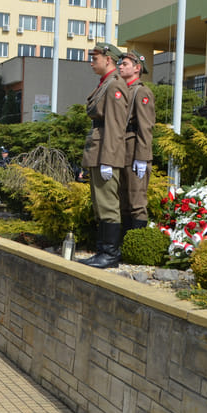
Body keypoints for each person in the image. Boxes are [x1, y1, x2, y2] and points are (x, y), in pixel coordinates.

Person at [79, 42, 129, 269]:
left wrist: (109, 159)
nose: (91, 62)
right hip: (98, 152)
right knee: (100, 204)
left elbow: (116, 126)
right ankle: (102, 251)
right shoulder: (105, 84)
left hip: (105, 154)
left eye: (95, 57)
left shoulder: (114, 86)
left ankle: (110, 254)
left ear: (108, 59)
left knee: (108, 204)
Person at [117, 50, 156, 233]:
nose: (120, 66)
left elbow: (145, 127)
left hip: (134, 152)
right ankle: (123, 244)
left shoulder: (141, 92)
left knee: (136, 201)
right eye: (121, 64)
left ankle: (135, 242)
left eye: (125, 64)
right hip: (122, 152)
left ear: (137, 68)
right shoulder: (124, 90)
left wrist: (142, 157)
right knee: (123, 200)